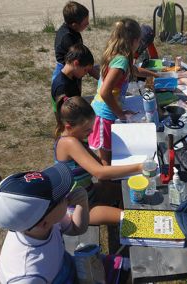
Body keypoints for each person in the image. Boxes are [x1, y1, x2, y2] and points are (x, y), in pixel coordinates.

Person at [0, 163, 89, 283]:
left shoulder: (39, 221)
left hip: (64, 267)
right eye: (61, 198)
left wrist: (82, 204)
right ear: (43, 224)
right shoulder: (27, 275)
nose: (66, 195)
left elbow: (76, 229)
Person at [55, 96, 143, 224]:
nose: (91, 132)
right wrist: (139, 167)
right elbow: (99, 172)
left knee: (132, 193)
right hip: (78, 209)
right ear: (69, 127)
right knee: (133, 219)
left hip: (89, 192)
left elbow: (99, 164)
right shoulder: (69, 143)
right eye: (87, 129)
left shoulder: (75, 139)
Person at [88, 18, 143, 165]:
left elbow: (135, 70)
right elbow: (105, 91)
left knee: (111, 156)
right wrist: (121, 114)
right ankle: (106, 187)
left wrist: (156, 75)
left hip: (107, 114)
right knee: (106, 162)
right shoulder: (122, 61)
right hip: (103, 116)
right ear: (135, 40)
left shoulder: (118, 54)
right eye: (139, 42)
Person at [53, 1, 99, 81]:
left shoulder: (74, 31)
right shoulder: (67, 38)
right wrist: (103, 80)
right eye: (85, 24)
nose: (88, 24)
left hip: (75, 72)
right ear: (74, 25)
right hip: (66, 78)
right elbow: (82, 60)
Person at [51, 43, 94, 112]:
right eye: (85, 70)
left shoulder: (73, 76)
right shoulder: (62, 86)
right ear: (76, 63)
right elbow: (65, 114)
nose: (86, 73)